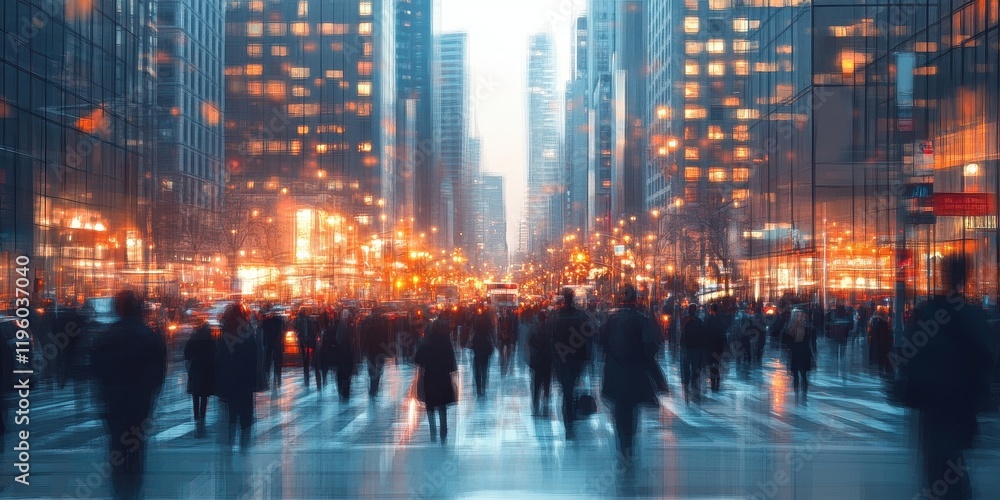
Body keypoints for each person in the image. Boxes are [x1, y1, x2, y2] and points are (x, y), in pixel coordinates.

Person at [895, 256, 993, 499]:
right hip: (960, 403)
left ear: (943, 275)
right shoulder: (972, 315)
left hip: (933, 402)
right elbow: (985, 360)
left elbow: (910, 356)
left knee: (936, 463)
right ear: (966, 277)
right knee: (953, 464)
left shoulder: (929, 312)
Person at [90, 290, 167, 499]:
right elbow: (159, 372)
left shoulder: (107, 336)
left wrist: (104, 395)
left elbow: (95, 371)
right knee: (136, 447)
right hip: (140, 403)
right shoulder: (150, 337)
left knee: (117, 445)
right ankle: (134, 486)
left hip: (114, 402)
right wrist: (149, 393)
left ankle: (120, 487)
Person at [599, 284, 667, 462]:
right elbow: (651, 347)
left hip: (615, 372)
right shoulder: (642, 320)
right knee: (632, 410)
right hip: (635, 372)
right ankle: (629, 443)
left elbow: (601, 342)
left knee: (619, 409)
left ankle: (622, 443)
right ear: (635, 300)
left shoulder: (612, 320)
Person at [214, 303, 259, 449]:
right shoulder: (247, 333)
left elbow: (219, 360)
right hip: (245, 380)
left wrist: (219, 383)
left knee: (230, 414)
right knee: (245, 414)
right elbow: (254, 359)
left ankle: (230, 441)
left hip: (229, 380)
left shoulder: (225, 333)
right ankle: (244, 443)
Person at [552, 288, 594, 440]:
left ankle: (568, 423)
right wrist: (588, 358)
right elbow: (589, 337)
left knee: (567, 391)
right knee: (571, 389)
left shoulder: (557, 317)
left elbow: (552, 339)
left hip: (562, 359)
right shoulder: (581, 317)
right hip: (577, 359)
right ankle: (571, 419)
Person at [414, 318, 459, 442]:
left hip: (430, 376)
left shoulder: (426, 341)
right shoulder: (445, 341)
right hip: (443, 376)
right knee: (442, 405)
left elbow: (417, 359)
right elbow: (451, 361)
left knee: (430, 405)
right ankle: (443, 431)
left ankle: (432, 430)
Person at [183, 318, 215, 433]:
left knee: (196, 395)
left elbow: (187, 353)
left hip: (195, 368)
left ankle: (197, 417)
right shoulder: (210, 339)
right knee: (204, 396)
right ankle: (202, 417)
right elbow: (214, 354)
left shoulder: (194, 337)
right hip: (207, 370)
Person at [528, 308, 554, 416]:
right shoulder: (549, 330)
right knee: (546, 382)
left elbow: (530, 343)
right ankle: (546, 400)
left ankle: (535, 402)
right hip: (547, 359)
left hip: (538, 360)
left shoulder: (534, 330)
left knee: (537, 383)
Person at [360, 308, 390, 397]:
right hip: (379, 350)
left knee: (372, 367)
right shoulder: (383, 326)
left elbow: (365, 338)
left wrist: (364, 349)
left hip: (371, 350)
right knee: (378, 368)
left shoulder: (368, 326)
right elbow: (385, 338)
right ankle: (375, 383)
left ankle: (373, 384)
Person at [787, 306, 814, 404]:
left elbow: (788, 342)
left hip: (799, 351)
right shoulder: (804, 327)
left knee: (799, 374)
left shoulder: (793, 327)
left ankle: (798, 395)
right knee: (802, 374)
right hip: (802, 351)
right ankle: (801, 395)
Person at [679, 304, 705, 404]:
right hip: (695, 348)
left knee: (688, 367)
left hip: (689, 348)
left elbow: (682, 333)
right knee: (695, 367)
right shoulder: (698, 321)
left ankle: (688, 382)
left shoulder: (687, 321)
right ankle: (693, 383)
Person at [469, 305, 496, 398]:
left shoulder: (475, 319)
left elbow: (471, 329)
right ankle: (483, 387)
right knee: (484, 367)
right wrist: (493, 341)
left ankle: (479, 389)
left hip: (478, 344)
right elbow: (492, 331)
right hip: (485, 345)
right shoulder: (487, 319)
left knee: (478, 367)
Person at [333, 308, 358, 402]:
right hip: (343, 355)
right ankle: (344, 390)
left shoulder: (348, 326)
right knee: (344, 374)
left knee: (345, 374)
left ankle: (344, 390)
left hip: (345, 355)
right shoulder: (345, 327)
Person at [703, 303, 727, 392]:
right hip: (719, 344)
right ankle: (716, 376)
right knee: (716, 361)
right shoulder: (721, 319)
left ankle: (714, 377)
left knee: (711, 362)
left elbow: (705, 330)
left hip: (711, 344)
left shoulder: (709, 319)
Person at [260, 306, 285, 387]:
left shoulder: (266, 321)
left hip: (269, 341)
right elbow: (282, 330)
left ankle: (267, 372)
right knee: (276, 358)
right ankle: (277, 374)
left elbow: (263, 330)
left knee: (268, 357)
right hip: (276, 341)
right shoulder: (279, 321)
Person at [293, 307, 316, 388]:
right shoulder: (300, 319)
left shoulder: (305, 319)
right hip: (304, 339)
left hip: (306, 339)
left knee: (306, 356)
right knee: (305, 356)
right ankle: (306, 369)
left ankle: (306, 368)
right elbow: (295, 327)